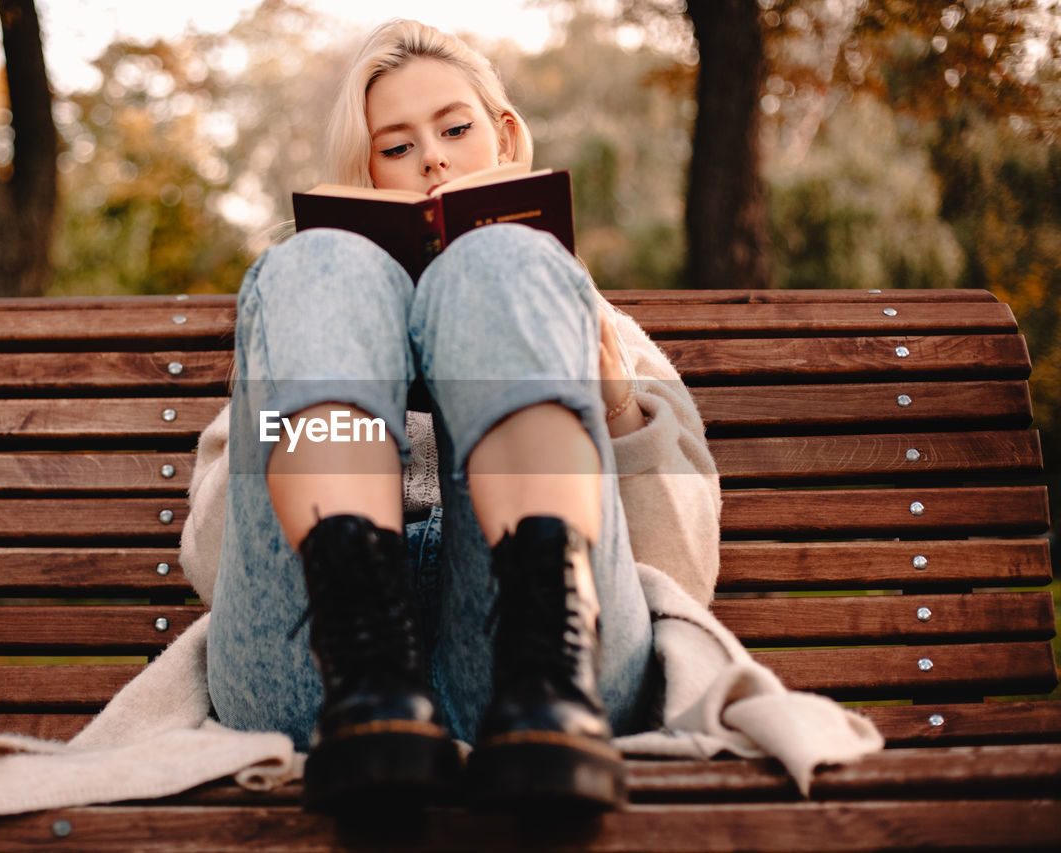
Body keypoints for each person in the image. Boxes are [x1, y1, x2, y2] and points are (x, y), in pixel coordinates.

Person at [181, 18, 722, 813]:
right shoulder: (306, 320)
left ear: (504, 138)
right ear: (364, 172)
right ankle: (371, 678)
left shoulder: (592, 323)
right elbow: (217, 569)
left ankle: (544, 666)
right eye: (395, 147)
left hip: (547, 680)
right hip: (314, 686)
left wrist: (611, 399)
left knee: (504, 260)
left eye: (455, 128)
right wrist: (300, 392)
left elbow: (685, 574)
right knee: (312, 261)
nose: (431, 157)